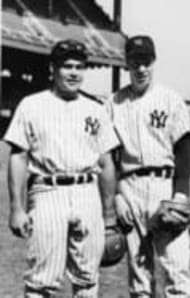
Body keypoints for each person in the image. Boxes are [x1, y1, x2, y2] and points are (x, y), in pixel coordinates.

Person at [3, 39, 119, 297]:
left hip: (87, 192)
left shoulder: (96, 109)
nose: (74, 73)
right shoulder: (32, 105)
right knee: (42, 280)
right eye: (67, 66)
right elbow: (19, 157)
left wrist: (109, 215)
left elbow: (106, 162)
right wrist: (16, 208)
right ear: (53, 69)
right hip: (47, 192)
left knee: (88, 279)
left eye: (80, 66)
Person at [108, 35, 190, 298]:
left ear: (154, 62)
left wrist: (181, 194)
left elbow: (185, 151)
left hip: (165, 186)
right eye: (135, 62)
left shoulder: (171, 99)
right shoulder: (112, 103)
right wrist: (116, 195)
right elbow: (108, 156)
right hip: (129, 187)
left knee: (177, 271)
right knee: (140, 278)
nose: (141, 69)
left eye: (146, 62)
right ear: (126, 63)